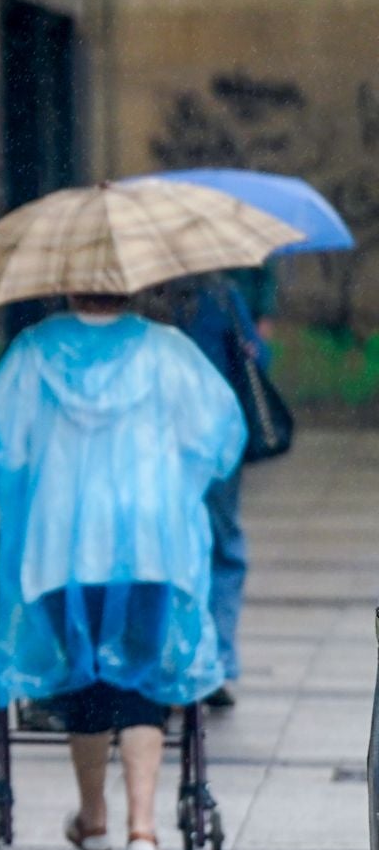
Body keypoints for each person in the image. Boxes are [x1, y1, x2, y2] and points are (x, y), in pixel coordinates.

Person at [0, 294, 245, 850]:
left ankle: (94, 821)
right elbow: (215, 437)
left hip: (62, 538)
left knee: (80, 673)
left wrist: (1, 519)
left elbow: (3, 448)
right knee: (142, 673)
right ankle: (143, 829)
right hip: (148, 537)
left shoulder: (35, 352)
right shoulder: (167, 351)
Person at [158, 272, 266, 709]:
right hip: (213, 444)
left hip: (156, 445)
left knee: (166, 551)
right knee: (221, 548)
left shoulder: (144, 304)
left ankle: (167, 658)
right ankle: (216, 662)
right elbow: (256, 359)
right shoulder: (220, 295)